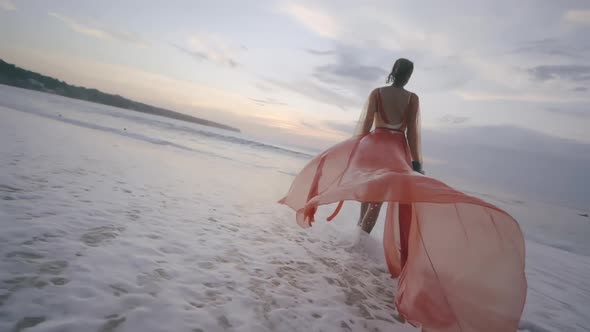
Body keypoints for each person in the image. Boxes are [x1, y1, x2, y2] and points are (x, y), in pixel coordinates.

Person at [279, 58, 527, 331]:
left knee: (368, 195)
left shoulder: (377, 93)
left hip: (371, 147)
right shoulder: (412, 99)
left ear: (393, 72)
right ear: (407, 76)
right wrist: (417, 163)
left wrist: (353, 150)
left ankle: (358, 240)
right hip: (395, 151)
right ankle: (360, 241)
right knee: (378, 199)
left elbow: (363, 129)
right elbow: (412, 134)